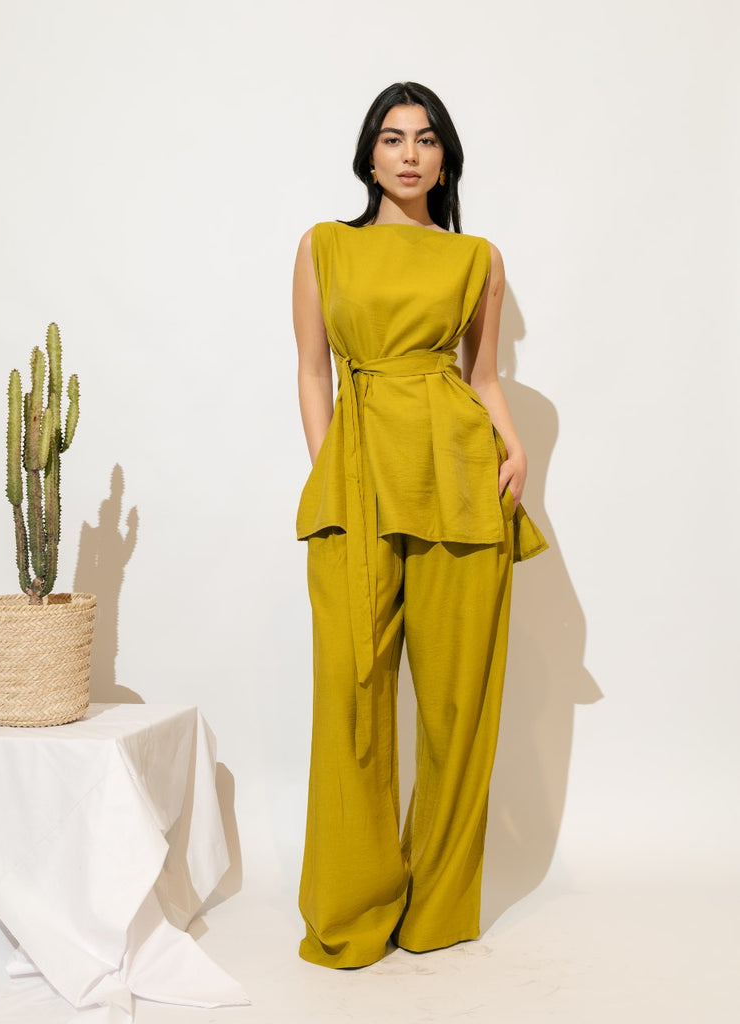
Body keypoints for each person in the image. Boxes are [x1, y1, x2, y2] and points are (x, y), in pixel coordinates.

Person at [293, 81, 548, 970]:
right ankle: (352, 910)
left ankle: (435, 910)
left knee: (456, 706)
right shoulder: (324, 246)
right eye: (393, 137)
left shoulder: (477, 258)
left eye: (426, 139)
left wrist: (515, 448)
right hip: (360, 479)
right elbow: (312, 370)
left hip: (461, 478)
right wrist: (330, 470)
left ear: (445, 160)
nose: (409, 153)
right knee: (351, 697)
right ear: (368, 156)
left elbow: (481, 378)